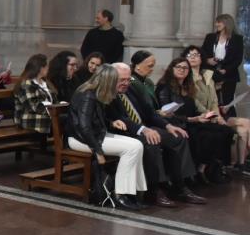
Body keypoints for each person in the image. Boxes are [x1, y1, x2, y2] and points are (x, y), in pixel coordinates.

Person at [106, 63, 205, 206]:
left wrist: (168, 125)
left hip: (144, 127)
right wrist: (143, 129)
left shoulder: (131, 88)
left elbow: (149, 112)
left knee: (178, 136)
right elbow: (119, 118)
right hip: (124, 132)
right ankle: (154, 190)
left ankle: (179, 186)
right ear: (111, 77)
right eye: (122, 80)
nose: (126, 83)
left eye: (128, 79)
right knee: (151, 142)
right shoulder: (107, 92)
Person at [66, 65, 147, 209]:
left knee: (137, 144)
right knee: (132, 148)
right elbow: (84, 128)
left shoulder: (95, 92)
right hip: (81, 140)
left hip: (95, 136)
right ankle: (120, 195)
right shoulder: (88, 95)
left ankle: (133, 191)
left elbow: (95, 119)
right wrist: (98, 152)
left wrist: (111, 122)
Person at [154, 56, 234, 181]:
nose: (182, 70)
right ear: (172, 69)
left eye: (185, 68)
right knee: (209, 136)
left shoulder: (188, 86)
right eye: (178, 67)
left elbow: (196, 107)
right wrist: (193, 119)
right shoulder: (164, 86)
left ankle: (209, 167)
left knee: (226, 130)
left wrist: (207, 116)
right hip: (179, 123)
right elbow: (166, 113)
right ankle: (197, 171)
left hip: (193, 120)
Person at [184, 45, 250, 174]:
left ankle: (240, 165)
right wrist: (214, 116)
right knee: (235, 129)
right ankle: (225, 165)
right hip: (201, 116)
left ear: (201, 58)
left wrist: (218, 115)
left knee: (245, 126)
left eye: (196, 54)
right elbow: (195, 102)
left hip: (215, 113)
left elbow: (214, 100)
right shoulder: (187, 78)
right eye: (189, 55)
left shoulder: (207, 75)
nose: (192, 57)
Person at [202, 13, 244, 114]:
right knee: (211, 100)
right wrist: (207, 60)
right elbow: (202, 53)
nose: (216, 24)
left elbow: (238, 59)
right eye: (216, 22)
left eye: (219, 22)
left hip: (228, 74)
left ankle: (229, 120)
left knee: (227, 101)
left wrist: (226, 70)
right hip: (210, 73)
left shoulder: (237, 39)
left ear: (226, 23)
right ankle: (212, 120)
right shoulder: (210, 37)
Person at [13, 54, 54, 134]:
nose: (48, 68)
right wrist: (53, 111)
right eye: (47, 66)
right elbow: (33, 106)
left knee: (65, 119)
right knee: (62, 121)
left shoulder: (45, 82)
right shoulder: (26, 84)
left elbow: (53, 100)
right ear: (40, 68)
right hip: (31, 119)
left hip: (45, 115)